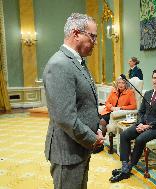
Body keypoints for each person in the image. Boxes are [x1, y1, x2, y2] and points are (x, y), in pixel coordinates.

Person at [43, 13, 104, 189]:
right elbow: (64, 117)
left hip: (79, 148)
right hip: (67, 153)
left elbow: (85, 104)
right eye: (92, 36)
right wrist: (92, 138)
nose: (95, 41)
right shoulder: (60, 64)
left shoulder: (77, 62)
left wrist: (97, 129)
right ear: (76, 33)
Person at [109, 69, 156, 183]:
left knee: (140, 139)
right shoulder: (147, 93)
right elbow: (141, 112)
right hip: (143, 124)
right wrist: (141, 123)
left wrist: (147, 126)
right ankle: (124, 166)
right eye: (154, 78)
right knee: (124, 135)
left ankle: (129, 168)